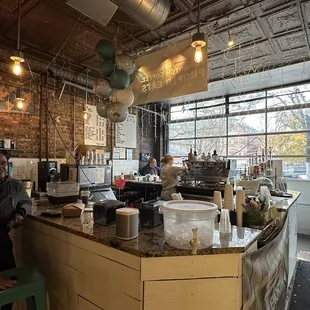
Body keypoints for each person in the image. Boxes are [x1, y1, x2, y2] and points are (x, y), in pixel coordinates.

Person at [0, 150, 32, 310]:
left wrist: (20, 212)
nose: (0, 167)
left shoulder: (15, 186)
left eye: (3, 163)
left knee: (9, 289)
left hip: (3, 243)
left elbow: (26, 201)